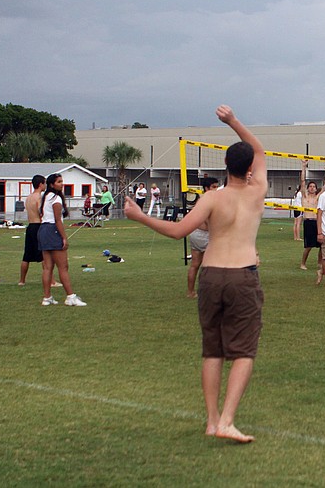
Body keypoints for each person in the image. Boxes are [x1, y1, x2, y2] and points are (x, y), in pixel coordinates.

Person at [125, 104, 266, 443]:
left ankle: (212, 420)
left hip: (212, 276)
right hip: (242, 276)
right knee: (243, 352)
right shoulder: (256, 190)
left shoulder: (211, 198)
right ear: (248, 169)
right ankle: (227, 421)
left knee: (213, 351)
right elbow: (259, 149)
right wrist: (233, 121)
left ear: (225, 167)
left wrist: (140, 217)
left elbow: (178, 232)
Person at [38, 173, 86, 307]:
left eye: (62, 181)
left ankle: (47, 297)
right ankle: (70, 296)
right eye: (59, 182)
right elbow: (58, 220)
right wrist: (64, 238)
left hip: (43, 230)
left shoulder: (45, 197)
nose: (61, 184)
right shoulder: (56, 199)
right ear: (52, 184)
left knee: (47, 267)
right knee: (63, 266)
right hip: (52, 230)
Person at [19, 175, 57, 287]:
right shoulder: (39, 197)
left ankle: (22, 280)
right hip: (38, 226)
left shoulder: (28, 197)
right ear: (40, 184)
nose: (45, 185)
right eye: (44, 183)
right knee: (45, 255)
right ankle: (52, 281)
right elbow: (41, 212)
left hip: (30, 226)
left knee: (26, 256)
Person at [187, 177, 220, 298]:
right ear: (206, 188)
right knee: (210, 266)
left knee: (195, 265)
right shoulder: (206, 201)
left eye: (217, 186)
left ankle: (190, 292)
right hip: (205, 235)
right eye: (213, 187)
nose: (216, 189)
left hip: (195, 233)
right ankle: (208, 292)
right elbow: (208, 222)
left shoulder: (200, 200)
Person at [299, 161, 320, 270]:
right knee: (308, 246)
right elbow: (302, 181)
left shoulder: (318, 197)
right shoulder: (305, 196)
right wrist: (303, 167)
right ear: (308, 188)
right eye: (310, 186)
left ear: (316, 189)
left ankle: (320, 263)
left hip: (317, 222)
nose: (312, 188)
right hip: (308, 222)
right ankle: (303, 263)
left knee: (321, 245)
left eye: (313, 186)